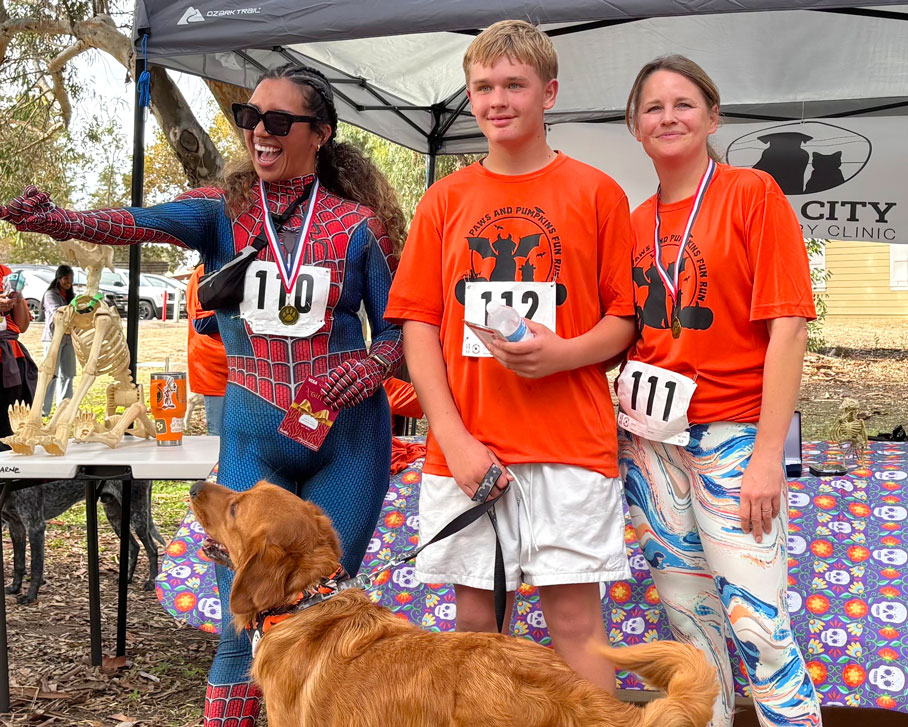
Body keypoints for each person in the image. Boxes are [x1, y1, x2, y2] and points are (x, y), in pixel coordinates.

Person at [0, 63, 405, 727]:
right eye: (251, 118)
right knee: (241, 620)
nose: (260, 133)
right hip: (252, 436)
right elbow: (132, 222)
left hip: (347, 441)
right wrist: (55, 220)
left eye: (279, 121)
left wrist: (367, 364)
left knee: (323, 614)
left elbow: (400, 327)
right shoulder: (223, 214)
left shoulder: (360, 227)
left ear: (321, 133)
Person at [385, 20, 636, 693]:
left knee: (578, 627)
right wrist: (453, 438)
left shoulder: (598, 193)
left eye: (515, 85)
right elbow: (419, 328)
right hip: (472, 453)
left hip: (571, 448)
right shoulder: (445, 199)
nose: (498, 99)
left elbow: (625, 320)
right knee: (477, 629)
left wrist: (564, 355)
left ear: (548, 92)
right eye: (484, 86)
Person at [618, 55, 821, 727]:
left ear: (713, 116)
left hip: (734, 438)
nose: (668, 116)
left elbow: (787, 327)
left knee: (759, 629)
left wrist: (768, 455)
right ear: (634, 126)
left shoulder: (750, 194)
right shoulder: (634, 218)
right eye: (653, 106)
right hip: (652, 446)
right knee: (690, 638)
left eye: (683, 103)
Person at [185, 264, 227, 436]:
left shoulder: (257, 268)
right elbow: (202, 324)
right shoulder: (204, 271)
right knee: (218, 437)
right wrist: (242, 311)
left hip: (249, 368)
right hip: (214, 366)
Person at [0, 265, 36, 451]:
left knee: (13, 421)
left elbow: (22, 326)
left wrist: (18, 297)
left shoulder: (5, 272)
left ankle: (11, 474)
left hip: (13, 359)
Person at [41, 264, 77, 417]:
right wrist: (74, 308)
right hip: (53, 339)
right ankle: (43, 411)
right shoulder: (50, 294)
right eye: (65, 278)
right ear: (59, 278)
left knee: (68, 374)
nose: (68, 282)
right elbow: (57, 311)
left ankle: (64, 410)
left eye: (71, 279)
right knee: (51, 374)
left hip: (68, 339)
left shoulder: (71, 297)